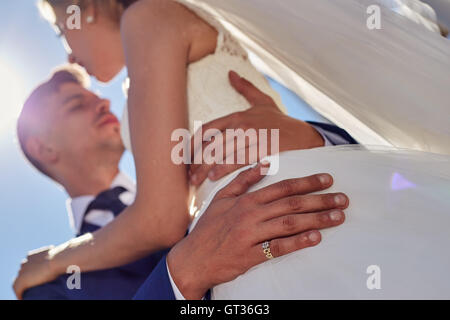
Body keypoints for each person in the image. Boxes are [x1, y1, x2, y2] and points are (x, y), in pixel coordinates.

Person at [14, 66, 351, 299]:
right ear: (43, 147)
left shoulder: (193, 169)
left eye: (99, 97)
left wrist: (308, 136)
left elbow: (368, 170)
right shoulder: (50, 287)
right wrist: (181, 277)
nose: (103, 102)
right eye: (76, 105)